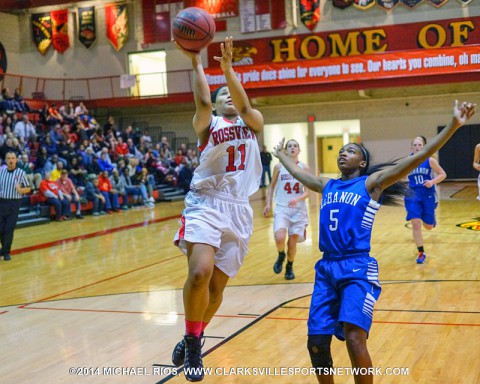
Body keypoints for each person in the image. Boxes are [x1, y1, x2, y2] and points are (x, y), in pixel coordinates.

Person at [271, 100, 476, 384]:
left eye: (351, 151)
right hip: (326, 269)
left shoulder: (372, 183)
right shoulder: (327, 185)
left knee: (355, 340)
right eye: (342, 151)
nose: (344, 153)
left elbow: (418, 158)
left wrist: (454, 125)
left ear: (363, 162)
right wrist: (283, 158)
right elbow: (301, 175)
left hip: (356, 268)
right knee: (316, 344)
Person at [171, 36, 263, 382]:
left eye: (231, 93)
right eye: (222, 93)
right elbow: (203, 101)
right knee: (199, 274)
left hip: (239, 209)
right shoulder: (208, 126)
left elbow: (243, 103)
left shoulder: (253, 122)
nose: (226, 96)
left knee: (217, 290)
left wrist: (227, 70)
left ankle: (192, 334)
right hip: (206, 203)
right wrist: (196, 62)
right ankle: (194, 345)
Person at [263, 139, 310, 280]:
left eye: (295, 145)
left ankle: (289, 266)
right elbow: (271, 187)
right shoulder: (278, 167)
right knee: (280, 238)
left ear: (299, 150)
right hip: (282, 208)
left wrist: (297, 199)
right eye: (290, 146)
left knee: (291, 244)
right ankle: (280, 254)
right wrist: (267, 204)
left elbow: (308, 191)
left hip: (298, 210)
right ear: (286, 150)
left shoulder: (304, 167)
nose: (292, 148)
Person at [404, 136, 447, 264]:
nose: (417, 147)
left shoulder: (430, 160)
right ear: (411, 147)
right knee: (416, 223)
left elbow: (443, 174)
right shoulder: (408, 161)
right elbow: (400, 176)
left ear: (424, 146)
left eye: (420, 145)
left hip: (427, 194)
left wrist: (432, 181)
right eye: (415, 145)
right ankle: (421, 252)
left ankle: (431, 219)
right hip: (412, 194)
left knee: (428, 226)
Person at [0, 151, 31, 261]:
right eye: (8, 158)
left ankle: (6, 252)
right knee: (1, 229)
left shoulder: (21, 173)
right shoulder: (1, 173)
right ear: (5, 160)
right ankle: (3, 250)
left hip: (14, 203)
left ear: (16, 160)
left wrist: (20, 189)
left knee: (9, 229)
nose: (11, 160)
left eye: (13, 158)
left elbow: (28, 188)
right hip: (2, 202)